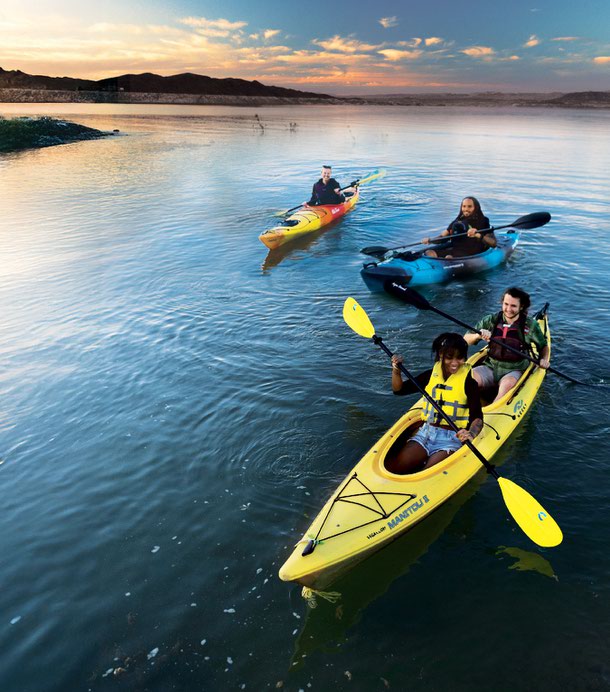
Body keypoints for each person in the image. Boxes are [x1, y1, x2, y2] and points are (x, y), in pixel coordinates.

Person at [388, 333, 483, 475]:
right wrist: (396, 370)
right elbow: (399, 390)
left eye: (460, 357)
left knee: (427, 473)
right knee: (397, 467)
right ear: (440, 355)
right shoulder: (430, 375)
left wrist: (472, 433)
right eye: (450, 357)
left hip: (452, 438)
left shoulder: (469, 383)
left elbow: (478, 417)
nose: (455, 363)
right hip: (426, 433)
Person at [464, 287, 550, 403]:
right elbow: (466, 340)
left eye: (513, 306)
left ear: (522, 307)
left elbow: (543, 347)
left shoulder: (530, 326)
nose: (508, 309)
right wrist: (478, 336)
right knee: (468, 380)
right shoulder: (490, 320)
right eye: (506, 304)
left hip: (514, 369)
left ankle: (492, 412)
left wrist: (544, 359)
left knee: (506, 385)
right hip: (491, 366)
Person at [422, 196, 497, 258]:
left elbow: (493, 243)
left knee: (449, 257)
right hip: (455, 249)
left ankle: (448, 265)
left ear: (476, 208)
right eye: (464, 206)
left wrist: (477, 234)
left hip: (472, 252)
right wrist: (430, 240)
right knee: (429, 252)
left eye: (469, 206)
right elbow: (442, 237)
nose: (466, 209)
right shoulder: (457, 221)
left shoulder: (483, 221)